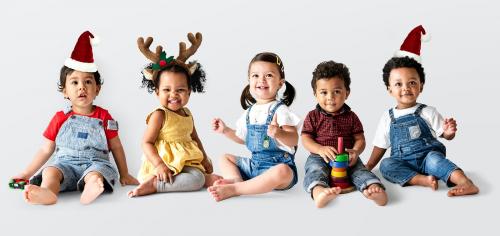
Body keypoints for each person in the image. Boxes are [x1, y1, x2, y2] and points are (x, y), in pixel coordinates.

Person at [11, 31, 138, 205]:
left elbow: (116, 145)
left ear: (97, 89)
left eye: (88, 82)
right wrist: (26, 174)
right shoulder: (60, 118)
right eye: (75, 82)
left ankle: (92, 186)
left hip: (95, 162)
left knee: (95, 173)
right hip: (65, 164)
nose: (82, 88)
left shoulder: (105, 117)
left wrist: (124, 173)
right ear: (64, 91)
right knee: (50, 172)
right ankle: (48, 191)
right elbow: (46, 149)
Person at [366, 25, 479, 197]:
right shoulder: (387, 117)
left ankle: (465, 182)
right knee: (386, 165)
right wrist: (368, 166)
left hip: (428, 158)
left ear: (421, 86)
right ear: (389, 89)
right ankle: (421, 180)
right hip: (402, 161)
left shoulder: (427, 111)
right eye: (398, 84)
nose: (406, 88)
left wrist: (449, 132)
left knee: (437, 161)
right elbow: (380, 146)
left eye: (412, 82)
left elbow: (445, 135)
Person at [128, 33, 221, 197]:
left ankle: (203, 178)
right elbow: (146, 143)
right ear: (156, 92)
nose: (173, 95)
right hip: (164, 164)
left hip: (182, 160)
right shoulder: (159, 115)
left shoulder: (187, 113)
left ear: (189, 92)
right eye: (166, 90)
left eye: (180, 90)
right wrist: (158, 165)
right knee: (196, 180)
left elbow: (195, 138)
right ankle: (156, 184)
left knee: (198, 174)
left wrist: (204, 159)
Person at [209, 52, 300, 202]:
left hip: (278, 166)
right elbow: (242, 138)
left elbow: (294, 139)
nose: (261, 80)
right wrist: (225, 130)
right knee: (224, 158)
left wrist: (279, 133)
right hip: (255, 165)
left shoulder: (280, 110)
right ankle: (236, 179)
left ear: (280, 83)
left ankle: (236, 189)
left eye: (269, 75)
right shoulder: (249, 112)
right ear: (249, 80)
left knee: (283, 171)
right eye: (255, 75)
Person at [302, 60, 387, 208]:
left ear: (347, 93)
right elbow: (305, 138)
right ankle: (319, 192)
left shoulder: (351, 116)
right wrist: (320, 149)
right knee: (315, 170)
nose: (330, 97)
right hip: (320, 157)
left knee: (359, 170)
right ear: (315, 94)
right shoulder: (312, 116)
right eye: (324, 92)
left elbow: (360, 139)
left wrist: (355, 151)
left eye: (336, 91)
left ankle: (373, 188)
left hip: (347, 158)